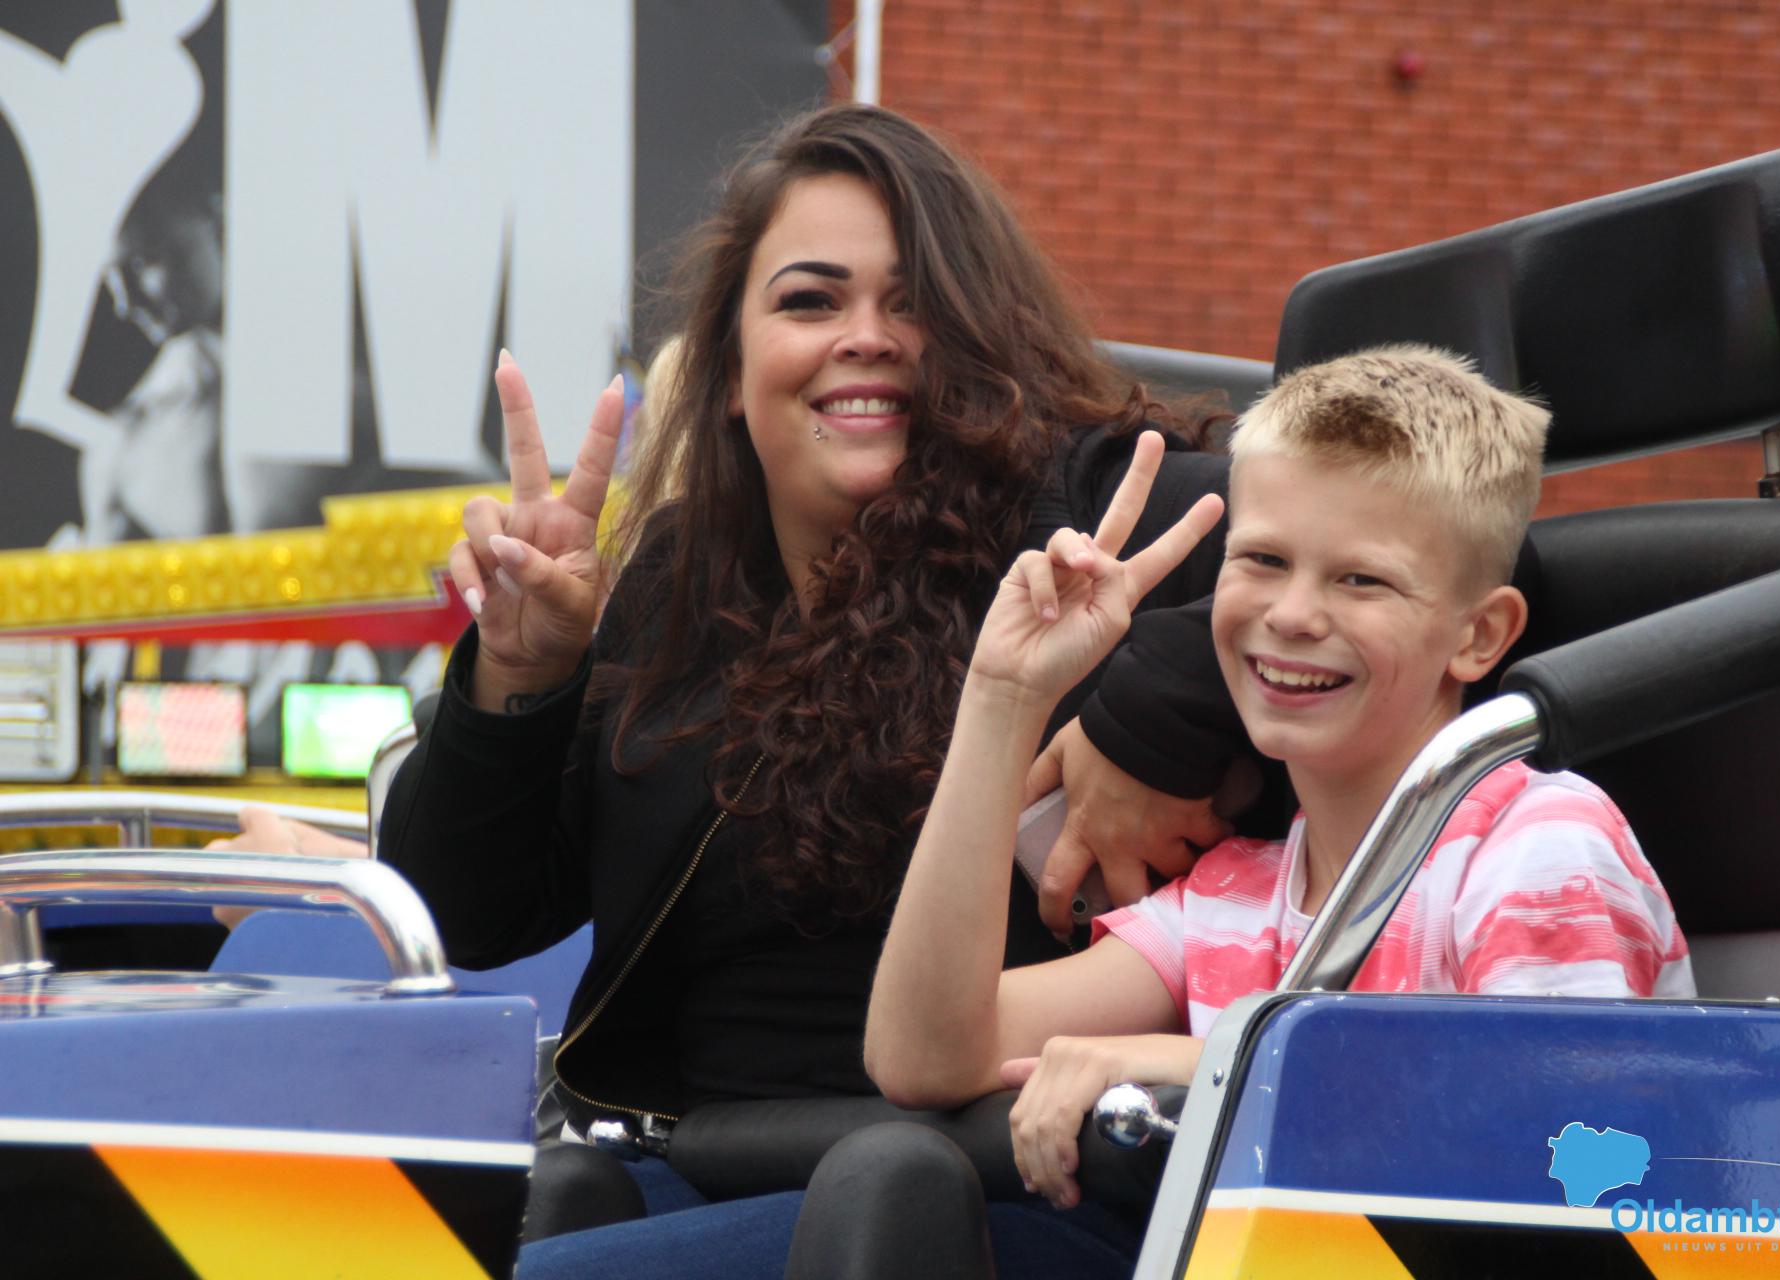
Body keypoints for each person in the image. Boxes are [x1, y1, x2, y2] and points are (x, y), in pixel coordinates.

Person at [377, 103, 1249, 1272]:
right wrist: (522, 676)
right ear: (732, 373)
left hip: (1019, 1181)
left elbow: (1398, 579)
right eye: (810, 301)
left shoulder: (1093, 507)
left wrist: (1152, 706)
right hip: (700, 1164)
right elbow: (469, 917)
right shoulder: (676, 586)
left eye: (914, 301)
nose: (866, 336)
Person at [865, 345, 1696, 1236]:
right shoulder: (1234, 893)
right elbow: (927, 1058)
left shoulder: (1538, 844)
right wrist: (1005, 697)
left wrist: (1205, 1064)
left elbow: (1562, 1156)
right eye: (1262, 559)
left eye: (1361, 579)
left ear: (1479, 635)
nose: (1292, 614)